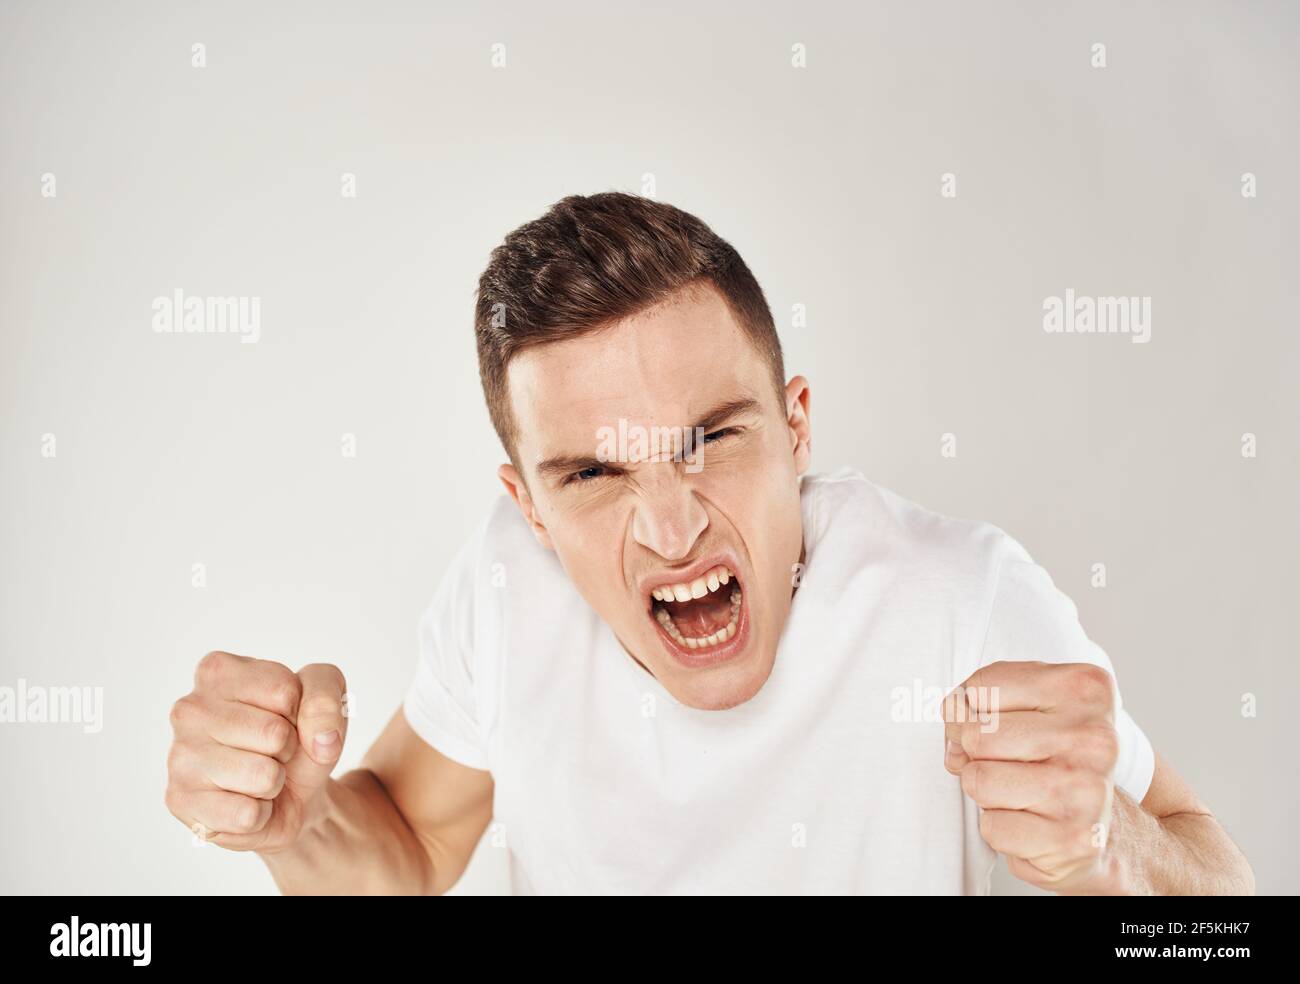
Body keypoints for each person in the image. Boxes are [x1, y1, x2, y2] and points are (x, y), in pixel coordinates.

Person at [164, 192, 1253, 894]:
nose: (673, 529)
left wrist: (1116, 848)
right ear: (529, 508)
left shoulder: (954, 598)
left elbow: (1222, 902)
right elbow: (402, 845)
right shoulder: (505, 595)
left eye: (711, 440)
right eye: (592, 473)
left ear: (797, 427)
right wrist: (290, 824)